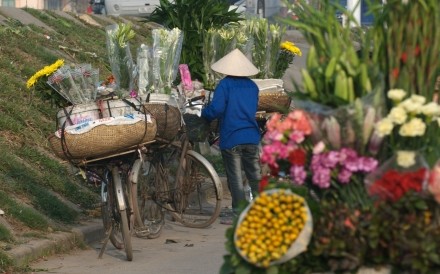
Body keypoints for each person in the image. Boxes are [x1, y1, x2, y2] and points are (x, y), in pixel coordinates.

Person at [201, 49, 262, 222]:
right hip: (251, 136)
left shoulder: (225, 85)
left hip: (232, 137)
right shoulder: (253, 86)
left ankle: (239, 213)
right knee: (255, 175)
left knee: (235, 177)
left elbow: (216, 109)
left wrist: (204, 114)